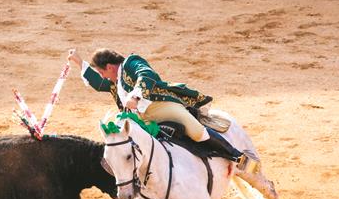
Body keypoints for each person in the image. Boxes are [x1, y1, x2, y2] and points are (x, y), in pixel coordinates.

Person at [67, 48, 251, 166]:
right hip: (141, 119)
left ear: (109, 67)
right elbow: (99, 84)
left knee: (195, 131)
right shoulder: (115, 82)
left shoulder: (131, 62)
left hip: (159, 107)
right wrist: (79, 62)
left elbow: (147, 73)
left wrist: (136, 95)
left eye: (102, 72)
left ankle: (236, 156)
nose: (104, 77)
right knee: (127, 150)